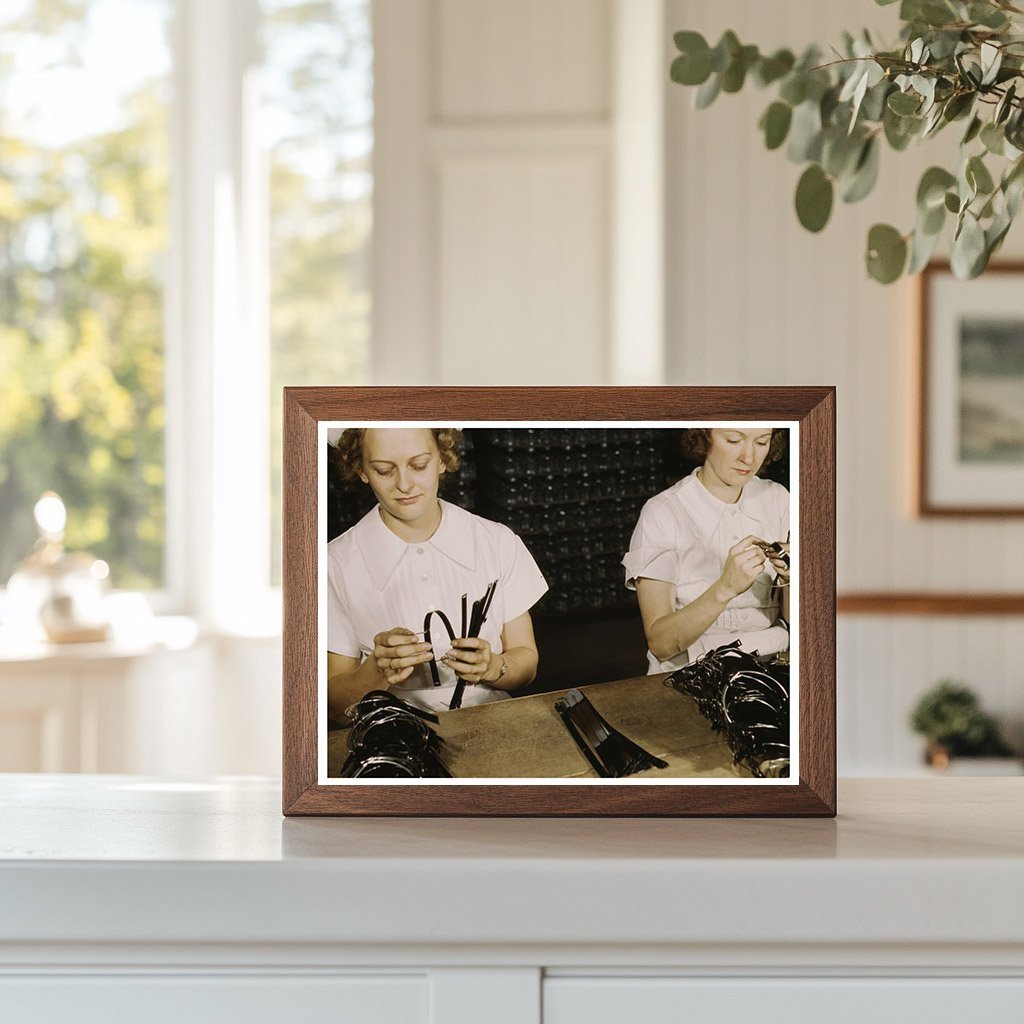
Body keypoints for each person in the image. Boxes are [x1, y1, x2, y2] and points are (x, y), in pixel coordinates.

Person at [326, 427, 548, 717]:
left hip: (491, 721)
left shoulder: (496, 541)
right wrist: (375, 672)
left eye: (419, 465)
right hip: (393, 730)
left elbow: (526, 662)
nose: (404, 484)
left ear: (443, 458)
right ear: (361, 469)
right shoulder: (335, 563)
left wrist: (493, 666)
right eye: (383, 470)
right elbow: (335, 702)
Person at [623, 427, 791, 673]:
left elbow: (797, 623)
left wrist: (791, 579)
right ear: (703, 438)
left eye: (761, 442)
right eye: (734, 440)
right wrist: (726, 588)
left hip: (770, 666)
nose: (749, 457)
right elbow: (661, 643)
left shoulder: (778, 498)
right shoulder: (662, 513)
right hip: (690, 673)